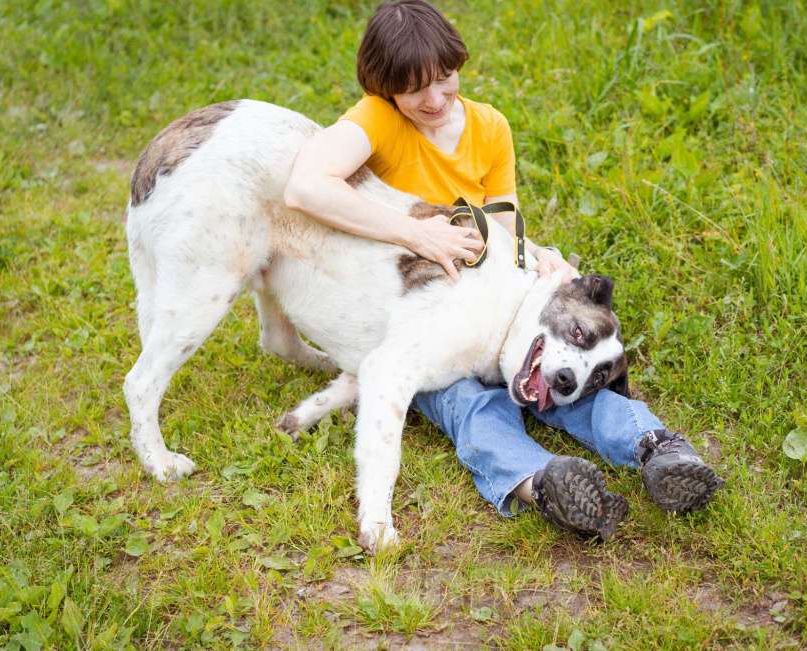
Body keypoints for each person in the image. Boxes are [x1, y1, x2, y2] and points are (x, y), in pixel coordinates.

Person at [283, 0, 723, 540]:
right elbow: (305, 185)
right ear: (384, 87)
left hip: (488, 299)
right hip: (422, 315)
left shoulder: (489, 126)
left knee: (565, 382)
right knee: (470, 403)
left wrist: (540, 257)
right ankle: (540, 482)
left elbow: (503, 229)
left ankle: (656, 449)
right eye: (417, 89)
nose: (436, 99)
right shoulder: (378, 119)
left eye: (446, 79)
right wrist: (416, 233)